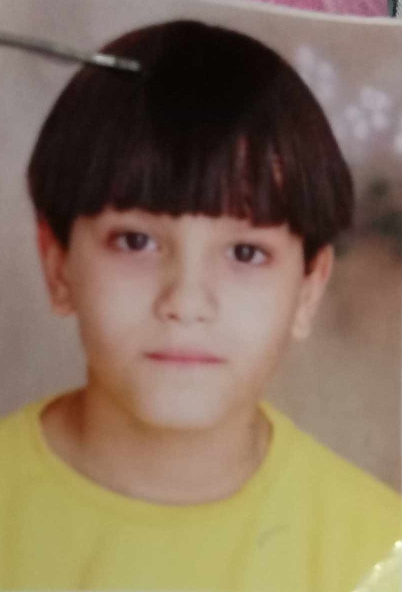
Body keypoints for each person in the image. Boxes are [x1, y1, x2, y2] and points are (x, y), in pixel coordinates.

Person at [0, 19, 399, 592]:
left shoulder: (379, 550)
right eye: (135, 241)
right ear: (57, 263)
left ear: (308, 288)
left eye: (245, 252)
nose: (185, 302)